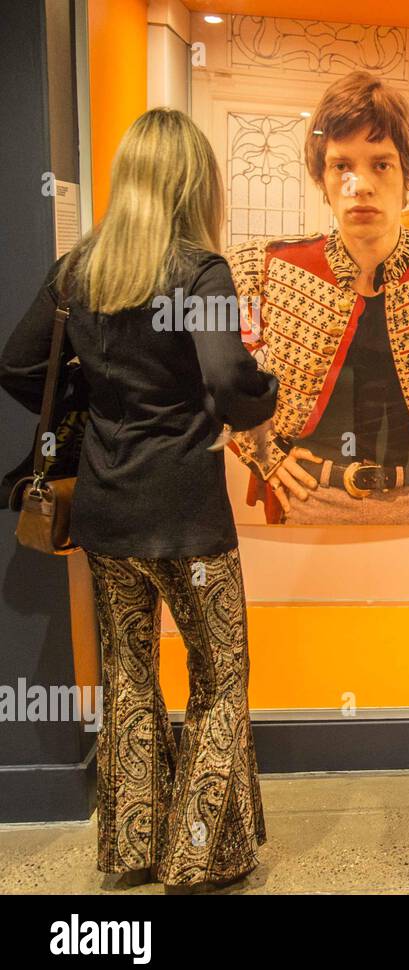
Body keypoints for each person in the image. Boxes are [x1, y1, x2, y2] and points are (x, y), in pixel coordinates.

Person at [0, 108, 278, 891]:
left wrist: (94, 402)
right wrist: (265, 396)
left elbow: (17, 367)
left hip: (107, 512)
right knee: (221, 678)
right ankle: (199, 854)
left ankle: (131, 850)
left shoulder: (79, 270)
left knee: (128, 675)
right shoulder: (200, 272)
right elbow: (229, 380)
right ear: (195, 182)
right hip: (187, 515)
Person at [225, 70, 409, 525]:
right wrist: (264, 451)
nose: (360, 185)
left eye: (381, 164)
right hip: (304, 501)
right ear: (322, 176)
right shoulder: (267, 268)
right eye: (342, 165)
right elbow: (222, 372)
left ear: (408, 172)